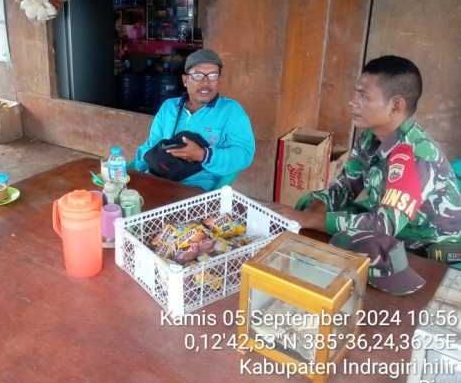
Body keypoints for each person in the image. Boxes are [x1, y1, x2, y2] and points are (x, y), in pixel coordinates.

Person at [272, 56, 461, 263]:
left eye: (363, 96)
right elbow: (344, 187)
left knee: (338, 233)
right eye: (356, 92)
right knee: (309, 203)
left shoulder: (415, 157)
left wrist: (312, 220)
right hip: (393, 225)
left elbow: (383, 226)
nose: (353, 102)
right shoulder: (371, 137)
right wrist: (312, 213)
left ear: (396, 106)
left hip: (427, 246)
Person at [133, 49, 255, 191]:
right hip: (158, 178)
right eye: (197, 75)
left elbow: (244, 154)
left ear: (219, 80)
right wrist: (135, 172)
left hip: (195, 189)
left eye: (213, 76)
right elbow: (152, 145)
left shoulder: (231, 111)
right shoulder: (169, 107)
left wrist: (204, 155)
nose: (205, 82)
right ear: (185, 80)